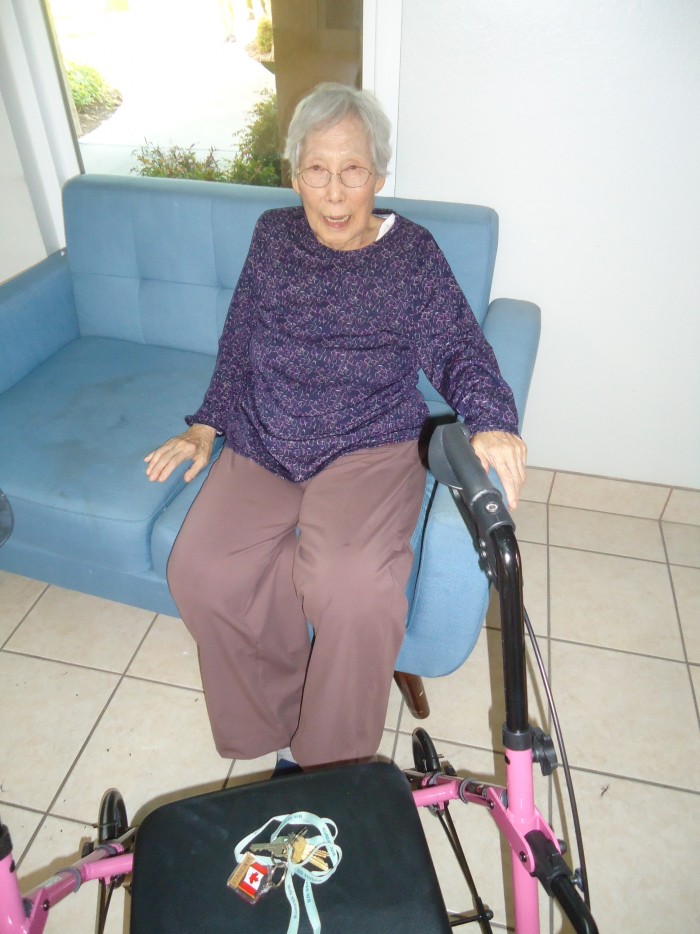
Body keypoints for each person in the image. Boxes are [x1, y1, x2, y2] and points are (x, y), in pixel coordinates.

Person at [145, 83, 526, 771]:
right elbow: (241, 337)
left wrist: (493, 421)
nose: (334, 192)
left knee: (351, 586)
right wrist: (207, 424)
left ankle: (330, 766)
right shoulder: (273, 236)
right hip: (264, 439)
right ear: (296, 176)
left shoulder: (411, 254)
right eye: (316, 170)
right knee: (200, 571)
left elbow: (458, 347)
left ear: (378, 175)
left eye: (352, 170)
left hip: (368, 443)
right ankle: (273, 723)